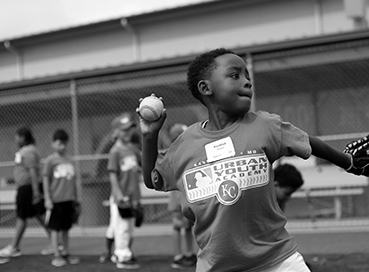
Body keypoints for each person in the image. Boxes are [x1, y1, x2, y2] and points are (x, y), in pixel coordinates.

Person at [138, 48, 355, 272]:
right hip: (216, 266)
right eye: (235, 76)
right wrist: (149, 135)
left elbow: (309, 142)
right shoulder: (185, 144)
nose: (247, 82)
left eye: (247, 77)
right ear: (205, 88)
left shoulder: (263, 125)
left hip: (278, 260)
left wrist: (348, 161)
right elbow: (152, 178)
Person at [0, 127, 52, 259]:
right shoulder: (26, 151)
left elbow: (33, 172)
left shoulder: (28, 151)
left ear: (23, 137)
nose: (15, 140)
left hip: (28, 189)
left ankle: (14, 247)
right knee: (39, 215)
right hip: (27, 188)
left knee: (22, 217)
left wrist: (35, 192)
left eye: (17, 137)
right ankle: (56, 242)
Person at [101, 112, 142, 269]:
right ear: (116, 132)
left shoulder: (132, 149)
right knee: (122, 228)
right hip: (122, 197)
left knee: (128, 228)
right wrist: (119, 195)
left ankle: (124, 252)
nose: (128, 133)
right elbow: (112, 176)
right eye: (124, 130)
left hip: (133, 196)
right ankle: (121, 256)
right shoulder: (115, 151)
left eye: (130, 129)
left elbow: (137, 168)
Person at [42, 129, 81, 267]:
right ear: (53, 144)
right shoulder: (50, 160)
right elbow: (46, 180)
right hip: (55, 200)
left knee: (65, 228)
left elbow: (73, 181)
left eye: (64, 143)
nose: (62, 146)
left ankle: (65, 252)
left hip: (68, 199)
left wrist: (76, 197)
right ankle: (57, 255)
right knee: (55, 228)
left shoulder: (70, 160)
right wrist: (47, 198)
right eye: (59, 143)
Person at [167, 124, 197, 269]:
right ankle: (178, 256)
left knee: (188, 226)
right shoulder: (175, 153)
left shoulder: (186, 151)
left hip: (187, 194)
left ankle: (189, 253)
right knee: (178, 226)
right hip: (178, 196)